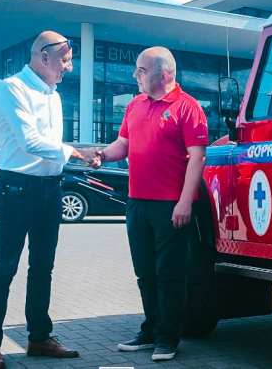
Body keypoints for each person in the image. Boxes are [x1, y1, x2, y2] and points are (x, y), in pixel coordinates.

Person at [0, 31, 96, 369]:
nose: (69, 68)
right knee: (4, 268)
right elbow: (30, 140)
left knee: (43, 267)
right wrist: (75, 152)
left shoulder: (54, 95)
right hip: (16, 189)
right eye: (65, 60)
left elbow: (48, 146)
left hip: (50, 188)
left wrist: (81, 156)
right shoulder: (12, 88)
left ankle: (39, 338)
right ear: (44, 57)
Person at [92, 46, 208, 362]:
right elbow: (124, 145)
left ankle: (168, 339)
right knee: (146, 273)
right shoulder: (135, 105)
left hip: (171, 206)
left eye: (141, 70)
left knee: (169, 274)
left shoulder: (188, 107)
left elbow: (198, 157)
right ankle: (150, 331)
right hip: (137, 203)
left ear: (164, 74)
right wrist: (102, 155)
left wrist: (185, 203)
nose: (135, 75)